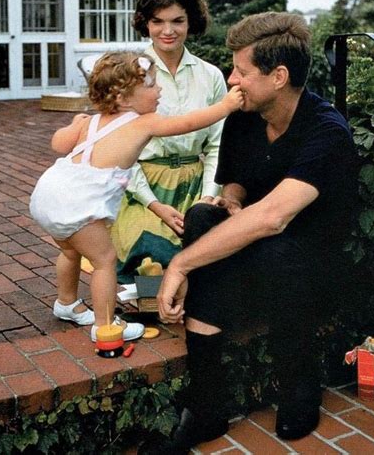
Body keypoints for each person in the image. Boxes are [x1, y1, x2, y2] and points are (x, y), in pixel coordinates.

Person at [140, 12, 359, 453]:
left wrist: (180, 265)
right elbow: (237, 180)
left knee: (277, 250)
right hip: (259, 250)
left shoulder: (326, 131)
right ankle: (206, 404)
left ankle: (298, 383)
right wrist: (232, 199)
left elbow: (273, 218)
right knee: (203, 217)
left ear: (279, 76)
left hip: (311, 265)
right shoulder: (244, 115)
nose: (231, 78)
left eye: (241, 70)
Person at [29, 51, 242, 342]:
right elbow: (189, 122)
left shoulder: (89, 122)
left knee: (70, 250)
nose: (160, 90)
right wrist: (226, 106)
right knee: (104, 261)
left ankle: (66, 304)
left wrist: (73, 124)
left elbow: (58, 144)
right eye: (152, 85)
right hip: (78, 205)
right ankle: (105, 327)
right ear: (123, 97)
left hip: (49, 195)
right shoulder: (144, 123)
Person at [111, 0, 227, 283]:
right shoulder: (129, 73)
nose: (167, 31)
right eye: (157, 21)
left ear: (191, 22)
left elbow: (218, 144)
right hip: (141, 190)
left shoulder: (211, 76)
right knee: (150, 263)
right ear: (145, 22)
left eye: (177, 20)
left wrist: (207, 198)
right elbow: (119, 150)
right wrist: (155, 205)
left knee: (208, 264)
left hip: (196, 188)